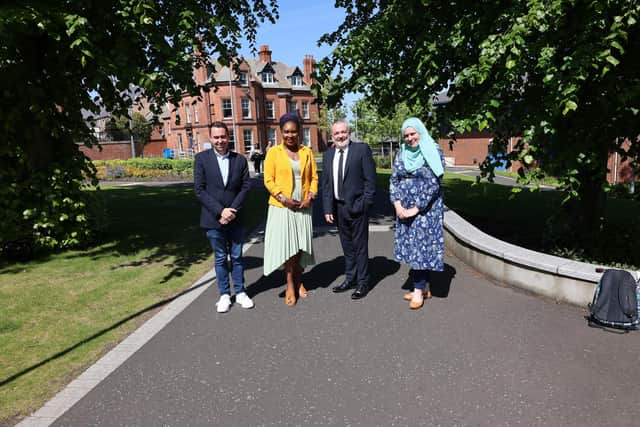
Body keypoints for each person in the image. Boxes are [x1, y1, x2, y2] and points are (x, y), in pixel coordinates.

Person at [194, 121, 254, 313]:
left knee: (236, 256)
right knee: (220, 258)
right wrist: (221, 211)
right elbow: (199, 190)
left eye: (223, 137)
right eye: (216, 137)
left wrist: (232, 210)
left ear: (229, 137)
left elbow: (246, 187)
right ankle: (225, 295)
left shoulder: (240, 160)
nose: (220, 141)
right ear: (210, 138)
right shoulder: (201, 159)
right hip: (213, 219)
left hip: (236, 218)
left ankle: (241, 291)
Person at [389, 117, 445, 309]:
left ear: (420, 131)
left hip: (426, 211)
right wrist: (397, 205)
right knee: (414, 249)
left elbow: (433, 184)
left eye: (413, 134)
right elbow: (394, 180)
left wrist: (415, 208)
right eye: (406, 135)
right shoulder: (402, 152)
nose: (410, 138)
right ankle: (425, 287)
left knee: (420, 249)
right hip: (404, 208)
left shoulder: (433, 149)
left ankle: (418, 291)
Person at [263, 113, 318, 306]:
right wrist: (284, 199)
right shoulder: (274, 153)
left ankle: (299, 279)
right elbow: (268, 180)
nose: (290, 135)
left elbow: (313, 178)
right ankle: (289, 284)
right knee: (288, 247)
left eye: (294, 131)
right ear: (280, 132)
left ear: (299, 132)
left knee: (301, 246)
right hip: (282, 207)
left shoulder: (306, 152)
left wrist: (310, 197)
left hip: (303, 206)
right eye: (286, 131)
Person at [321, 120, 376, 299]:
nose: (340, 136)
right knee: (347, 246)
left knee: (360, 247)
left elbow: (370, 181)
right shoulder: (328, 155)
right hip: (338, 209)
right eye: (337, 133)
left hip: (357, 207)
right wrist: (328, 208)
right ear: (332, 136)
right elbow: (327, 184)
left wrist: (365, 203)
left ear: (349, 132)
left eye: (343, 132)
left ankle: (363, 282)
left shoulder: (361, 150)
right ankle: (350, 278)